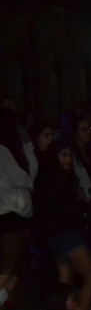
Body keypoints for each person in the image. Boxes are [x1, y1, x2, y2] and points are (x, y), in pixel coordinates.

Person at [32, 143, 91, 310]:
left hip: (55, 237)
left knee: (65, 282)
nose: (68, 159)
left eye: (70, 155)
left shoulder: (50, 179)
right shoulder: (55, 181)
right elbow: (60, 212)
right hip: (64, 234)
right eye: (63, 155)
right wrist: (79, 203)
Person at [0, 109, 33, 300]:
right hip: (10, 212)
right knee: (10, 269)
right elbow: (24, 178)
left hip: (10, 213)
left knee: (10, 269)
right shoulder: (3, 150)